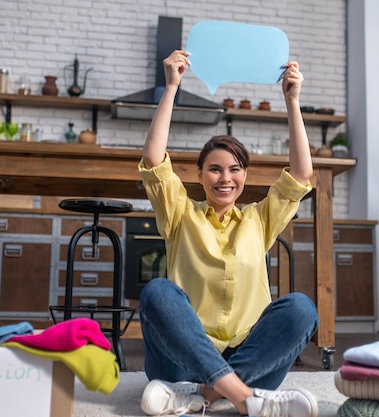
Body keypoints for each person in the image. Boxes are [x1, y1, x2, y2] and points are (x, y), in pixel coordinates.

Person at [137, 50, 320, 417]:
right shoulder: (179, 213)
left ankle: (207, 394)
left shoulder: (259, 219)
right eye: (215, 170)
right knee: (157, 291)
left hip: (250, 361)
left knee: (301, 307)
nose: (225, 178)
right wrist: (172, 86)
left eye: (234, 169)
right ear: (200, 175)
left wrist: (292, 100)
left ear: (244, 177)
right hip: (180, 363)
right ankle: (244, 399)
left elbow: (301, 174)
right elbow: (155, 160)